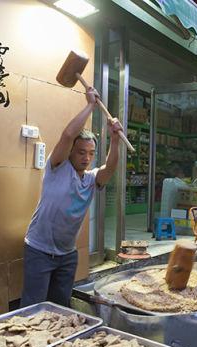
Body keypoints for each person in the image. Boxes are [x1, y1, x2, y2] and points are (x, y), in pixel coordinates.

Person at [21, 87, 122, 307]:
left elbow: (111, 168)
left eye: (91, 153)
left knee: (61, 307)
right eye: (81, 152)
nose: (87, 158)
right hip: (39, 250)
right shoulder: (57, 166)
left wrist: (114, 139)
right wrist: (90, 106)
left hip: (67, 255)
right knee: (33, 306)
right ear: (71, 152)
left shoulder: (91, 179)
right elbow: (68, 135)